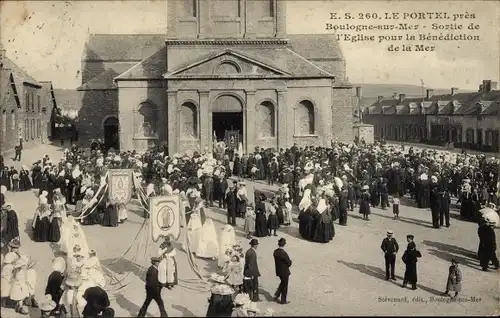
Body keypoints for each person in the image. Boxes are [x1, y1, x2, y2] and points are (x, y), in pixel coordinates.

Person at [273, 238, 292, 305]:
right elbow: (289, 263)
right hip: (285, 272)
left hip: (278, 271)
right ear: (284, 245)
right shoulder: (284, 253)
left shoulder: (275, 252)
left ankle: (277, 294)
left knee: (282, 283)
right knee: (285, 286)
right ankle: (283, 300)